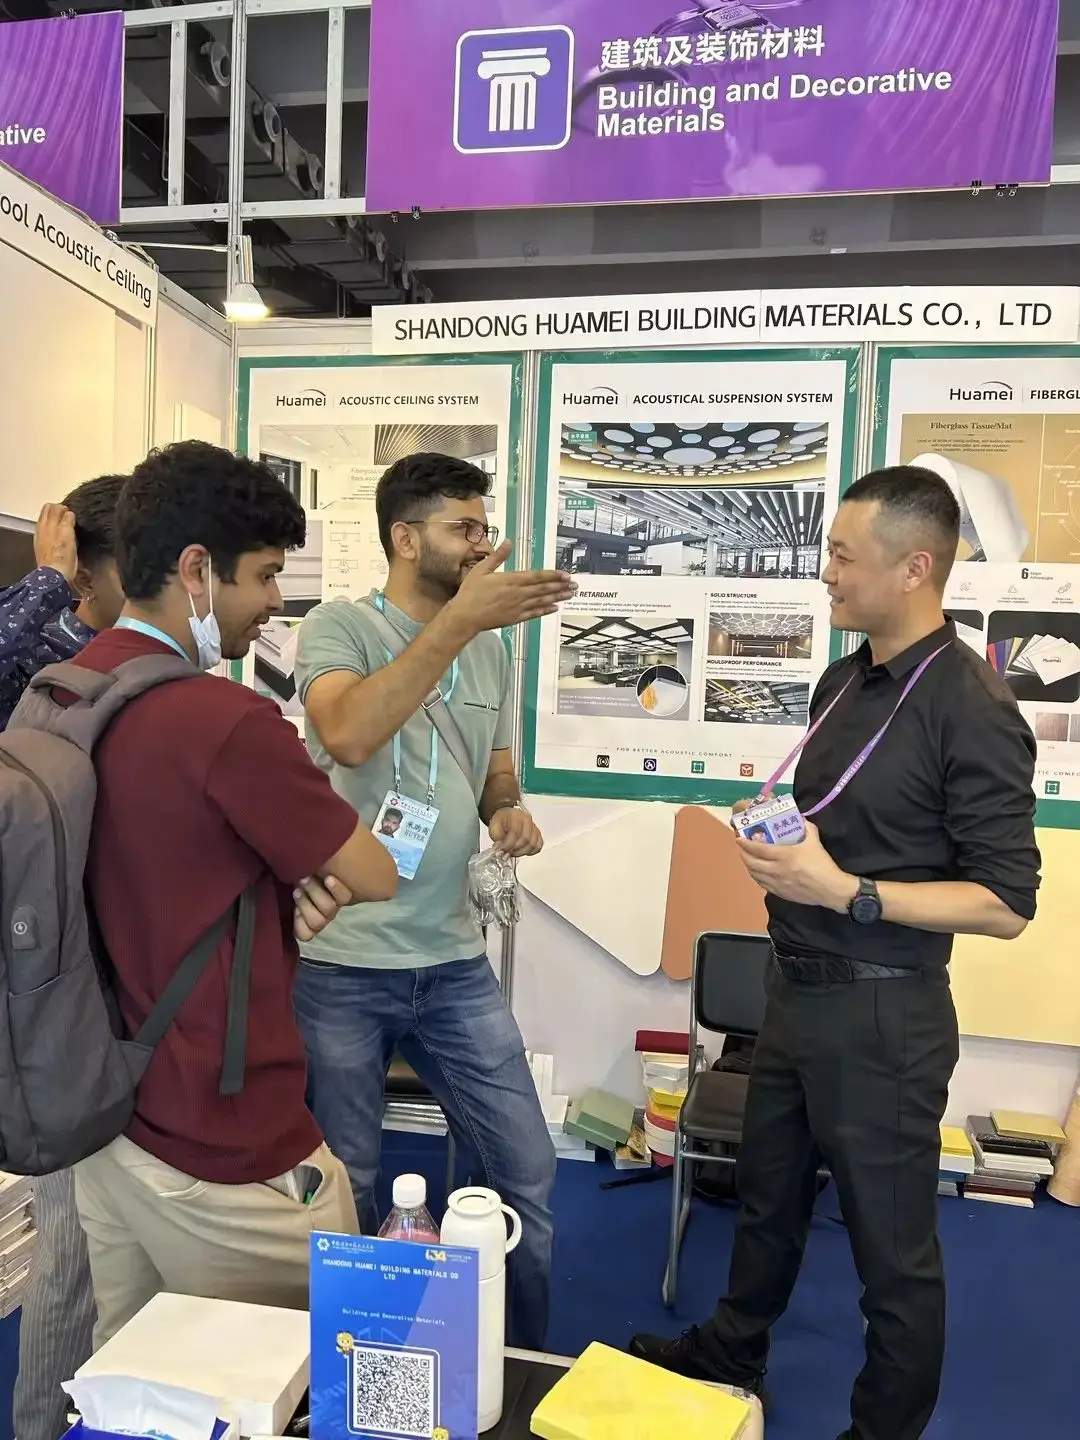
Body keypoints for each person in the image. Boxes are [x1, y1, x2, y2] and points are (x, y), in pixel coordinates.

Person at [631, 466, 1041, 1440]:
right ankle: (733, 1350)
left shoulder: (973, 706)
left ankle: (881, 1429)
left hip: (884, 1013)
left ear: (915, 568)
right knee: (767, 1198)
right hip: (796, 990)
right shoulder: (844, 678)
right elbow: (841, 823)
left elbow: (1005, 903)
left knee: (891, 1253)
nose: (825, 573)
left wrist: (849, 892)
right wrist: (780, 838)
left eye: (843, 557)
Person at [68, 441, 398, 1348]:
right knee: (316, 1363)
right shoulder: (224, 721)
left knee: (139, 1380)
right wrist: (299, 876)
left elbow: (156, 867)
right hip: (222, 1133)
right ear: (195, 572)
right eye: (263, 575)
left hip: (107, 1113)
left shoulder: (67, 689)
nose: (275, 600)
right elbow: (373, 870)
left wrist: (267, 889)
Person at [293, 451, 576, 1350]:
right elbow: (346, 731)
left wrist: (509, 810)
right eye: (463, 528)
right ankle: (350, 1371)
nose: (481, 545)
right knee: (348, 1185)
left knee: (525, 1172)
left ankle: (512, 1364)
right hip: (341, 962)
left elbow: (496, 771)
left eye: (484, 527)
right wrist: (457, 625)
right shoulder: (339, 627)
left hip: (452, 961)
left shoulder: (492, 648)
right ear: (405, 538)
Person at [11, 475, 126, 1440]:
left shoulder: (115, 663)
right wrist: (47, 580)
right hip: (51, 997)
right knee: (71, 1248)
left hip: (111, 989)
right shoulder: (51, 662)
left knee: (101, 1248)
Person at [0, 477, 127, 730]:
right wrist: (49, 578)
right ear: (85, 582)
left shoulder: (165, 653)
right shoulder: (35, 657)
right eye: (139, 570)